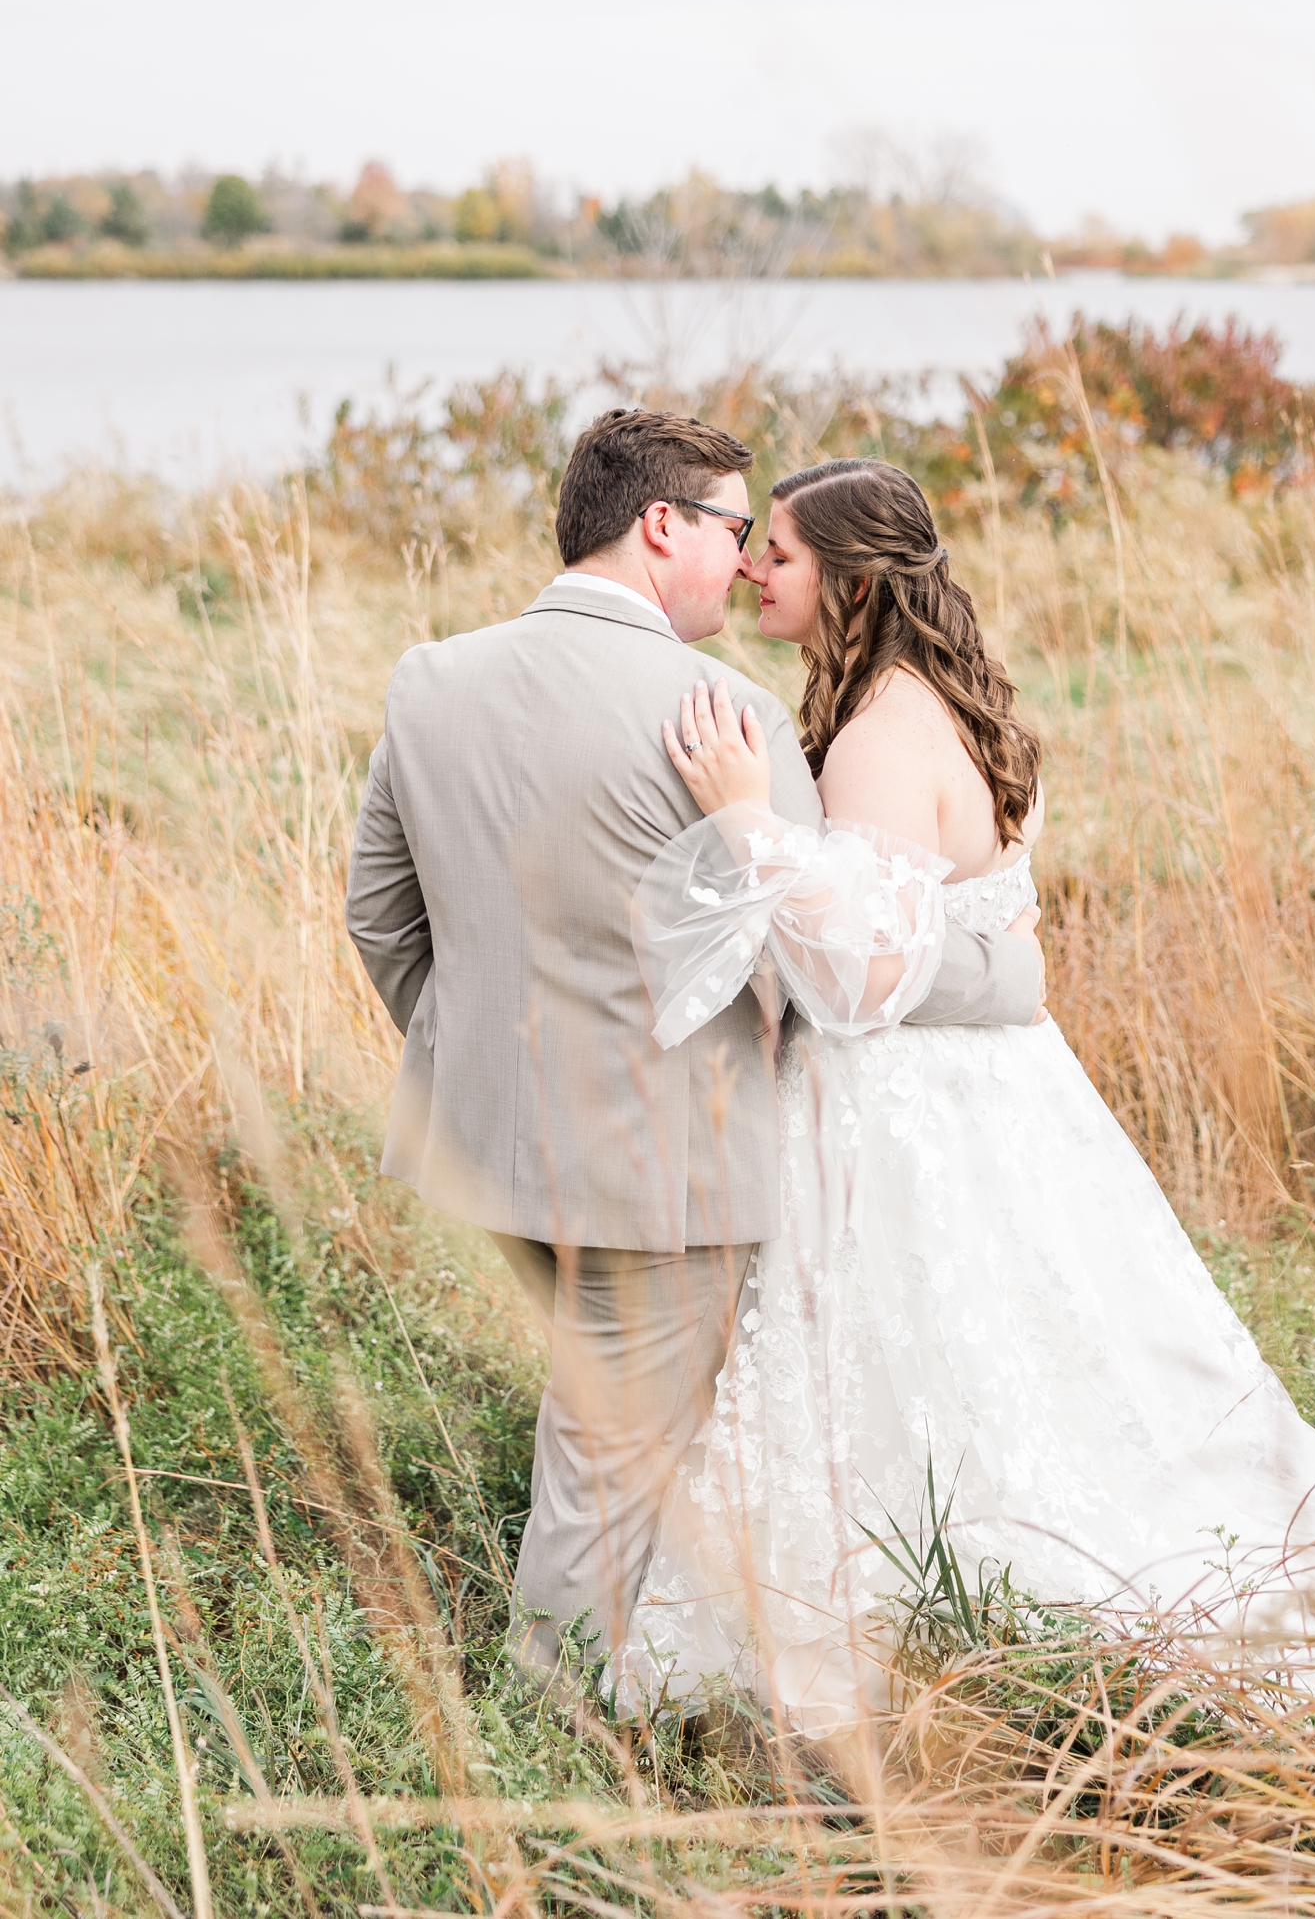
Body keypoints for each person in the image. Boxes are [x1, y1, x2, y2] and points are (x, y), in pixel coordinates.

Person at [614, 456, 1315, 1731]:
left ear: (851, 577)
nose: (755, 566)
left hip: (904, 1110)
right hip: (999, 1095)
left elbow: (861, 977)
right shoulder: (951, 707)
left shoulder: (874, 738)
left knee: (932, 1356)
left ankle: (943, 1614)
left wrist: (748, 824)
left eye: (784, 554)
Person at [344, 411, 1046, 1677]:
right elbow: (823, 967)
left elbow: (381, 918)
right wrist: (999, 967)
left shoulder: (429, 677)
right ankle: (550, 1724)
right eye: (733, 531)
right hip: (665, 1168)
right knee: (603, 1453)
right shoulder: (725, 713)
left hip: (488, 1147)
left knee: (609, 1424)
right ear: (660, 524)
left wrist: (483, 1070)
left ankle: (645, 1669)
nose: (740, 564)